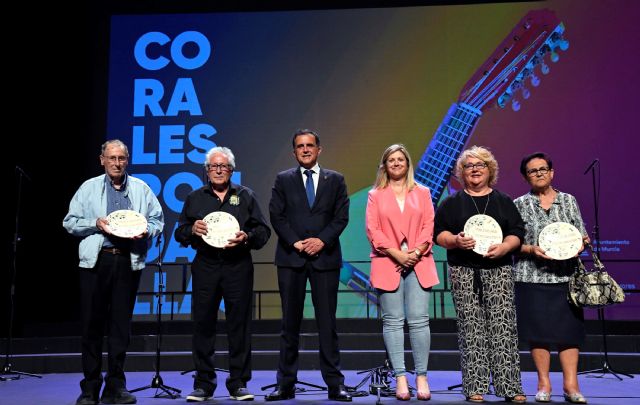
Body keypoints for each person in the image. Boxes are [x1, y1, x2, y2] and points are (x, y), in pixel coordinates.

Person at [63, 139, 164, 405]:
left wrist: (148, 231)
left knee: (121, 328)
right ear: (102, 160)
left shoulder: (141, 189)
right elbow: (70, 222)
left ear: (127, 160)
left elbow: (157, 220)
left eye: (121, 158)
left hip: (127, 262)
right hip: (97, 262)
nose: (117, 163)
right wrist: (95, 223)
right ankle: (90, 387)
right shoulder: (88, 188)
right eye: (112, 158)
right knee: (92, 326)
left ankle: (116, 387)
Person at [174, 146, 271, 402]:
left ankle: (238, 383)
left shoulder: (246, 196)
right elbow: (179, 233)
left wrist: (247, 237)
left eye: (223, 166)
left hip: (237, 266)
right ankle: (204, 384)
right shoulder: (195, 198)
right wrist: (191, 229)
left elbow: (264, 232)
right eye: (213, 166)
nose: (218, 170)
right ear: (206, 171)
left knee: (238, 326)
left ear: (231, 170)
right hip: (205, 265)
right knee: (203, 325)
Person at [433, 146, 527, 403]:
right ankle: (475, 385)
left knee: (503, 326)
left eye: (480, 164)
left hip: (499, 269)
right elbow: (438, 234)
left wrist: (506, 246)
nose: (474, 169)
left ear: (490, 170)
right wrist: (454, 240)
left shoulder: (503, 201)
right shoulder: (452, 203)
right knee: (470, 327)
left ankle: (509, 386)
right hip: (463, 270)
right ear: (461, 172)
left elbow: (517, 232)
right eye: (468, 165)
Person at [267, 129, 351, 402]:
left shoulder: (335, 180)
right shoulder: (283, 180)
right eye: (300, 146)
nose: (305, 150)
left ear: (319, 149)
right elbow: (276, 216)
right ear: (294, 152)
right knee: (289, 324)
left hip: (325, 259)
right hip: (292, 259)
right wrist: (296, 243)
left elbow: (341, 217)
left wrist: (321, 241)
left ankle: (335, 384)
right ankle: (285, 384)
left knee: (327, 324)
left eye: (310, 145)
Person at [365, 144, 439, 401]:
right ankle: (400, 377)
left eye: (400, 159)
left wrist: (415, 253)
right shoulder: (376, 195)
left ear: (408, 164)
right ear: (384, 165)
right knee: (393, 321)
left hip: (420, 261)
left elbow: (429, 226)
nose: (396, 163)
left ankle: (421, 376)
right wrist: (396, 254)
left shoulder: (423, 192)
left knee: (419, 320)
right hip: (388, 261)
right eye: (391, 160)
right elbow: (373, 229)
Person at [513, 152, 589, 404]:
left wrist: (578, 246)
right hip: (531, 276)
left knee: (568, 332)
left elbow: (582, 236)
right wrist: (530, 249)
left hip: (566, 277)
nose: (539, 173)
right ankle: (543, 383)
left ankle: (571, 385)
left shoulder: (568, 201)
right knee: (538, 333)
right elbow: (512, 242)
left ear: (552, 172)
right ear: (526, 177)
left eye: (543, 169)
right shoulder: (519, 204)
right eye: (533, 171)